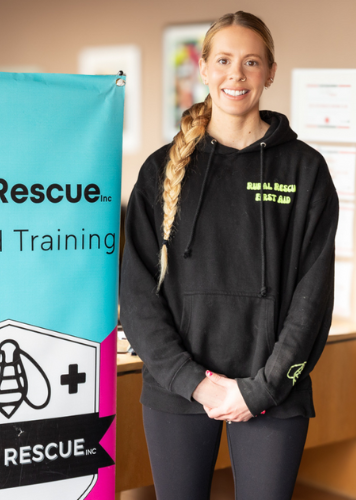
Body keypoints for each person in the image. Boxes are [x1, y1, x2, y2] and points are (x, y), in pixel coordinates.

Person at [120, 11, 339, 500]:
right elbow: (135, 294)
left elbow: (313, 298)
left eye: (251, 62)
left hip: (271, 391)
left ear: (270, 71)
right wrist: (194, 383)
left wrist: (259, 390)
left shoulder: (306, 170)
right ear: (203, 68)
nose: (235, 75)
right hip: (177, 389)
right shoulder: (160, 170)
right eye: (223, 60)